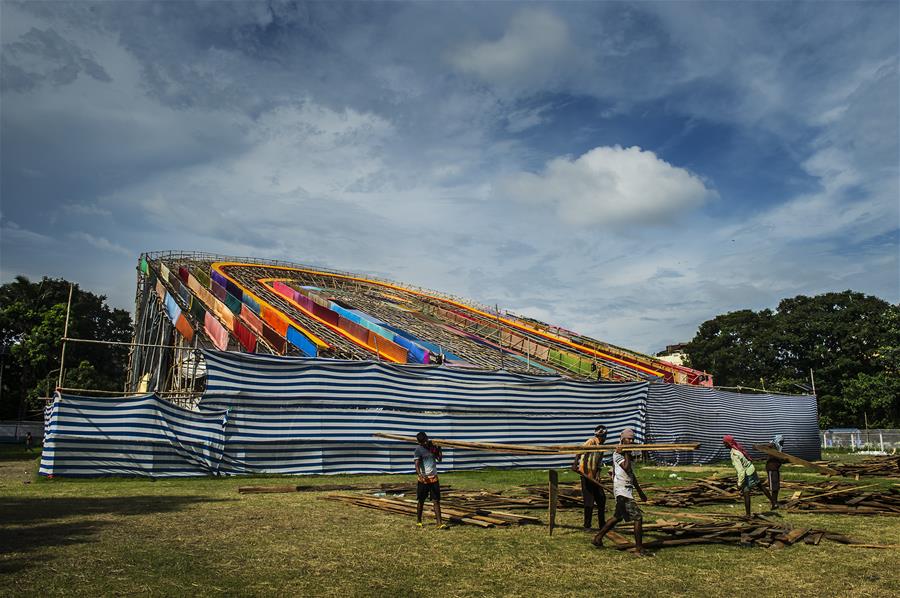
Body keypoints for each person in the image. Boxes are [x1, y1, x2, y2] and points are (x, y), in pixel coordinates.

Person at [592, 428, 650, 557]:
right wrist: (626, 452)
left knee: (617, 517)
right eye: (628, 439)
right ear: (622, 439)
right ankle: (638, 549)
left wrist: (640, 492)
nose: (630, 441)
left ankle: (598, 538)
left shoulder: (625, 454)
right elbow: (626, 467)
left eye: (632, 439)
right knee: (638, 518)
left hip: (626, 489)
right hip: (622, 490)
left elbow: (631, 474)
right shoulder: (617, 454)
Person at [723, 435, 772, 517]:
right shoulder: (737, 449)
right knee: (760, 486)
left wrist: (739, 483)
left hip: (747, 473)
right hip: (751, 469)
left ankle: (748, 515)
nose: (723, 444)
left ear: (728, 443)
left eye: (724, 443)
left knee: (746, 493)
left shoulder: (734, 454)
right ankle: (774, 502)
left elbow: (741, 471)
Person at [572, 424, 608, 530]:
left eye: (605, 435)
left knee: (601, 499)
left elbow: (599, 464)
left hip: (593, 476)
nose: (604, 437)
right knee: (589, 501)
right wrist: (575, 464)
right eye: (602, 435)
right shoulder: (591, 442)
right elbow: (579, 451)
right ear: (599, 435)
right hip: (585, 475)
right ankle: (587, 525)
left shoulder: (602, 447)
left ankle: (602, 524)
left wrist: (598, 475)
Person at [414, 432, 446, 529]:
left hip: (434, 478)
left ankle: (439, 523)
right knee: (421, 500)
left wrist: (439, 450)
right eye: (423, 442)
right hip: (424, 479)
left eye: (426, 441)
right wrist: (420, 475)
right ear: (419, 442)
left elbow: (439, 460)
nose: (425, 443)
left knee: (436, 501)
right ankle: (419, 521)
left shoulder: (432, 447)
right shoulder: (418, 450)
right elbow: (417, 464)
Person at [765, 434, 787, 509]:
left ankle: (775, 502)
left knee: (776, 486)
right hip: (771, 468)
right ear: (777, 440)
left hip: (776, 468)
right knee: (773, 487)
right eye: (781, 442)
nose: (782, 444)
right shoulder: (772, 446)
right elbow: (776, 455)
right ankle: (773, 503)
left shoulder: (778, 448)